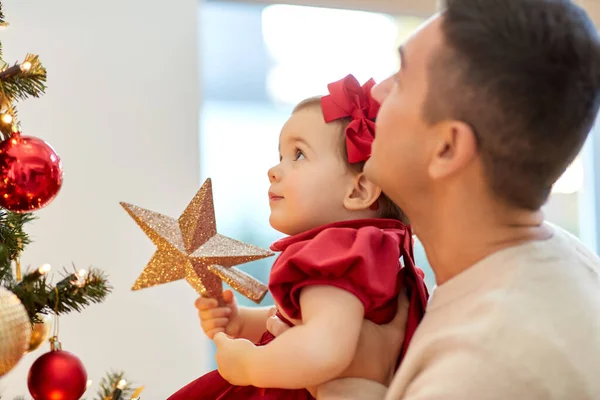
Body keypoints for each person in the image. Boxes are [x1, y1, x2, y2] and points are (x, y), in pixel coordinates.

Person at [269, 0, 600, 399]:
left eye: (402, 80)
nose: (376, 90)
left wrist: (354, 388)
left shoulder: (481, 366)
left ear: (446, 149)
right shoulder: (568, 264)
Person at [167, 74, 428, 400]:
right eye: (280, 156)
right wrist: (241, 322)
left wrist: (250, 365)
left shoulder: (336, 252)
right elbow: (308, 323)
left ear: (359, 189)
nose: (274, 170)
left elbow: (324, 348)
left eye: (299, 155)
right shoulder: (375, 254)